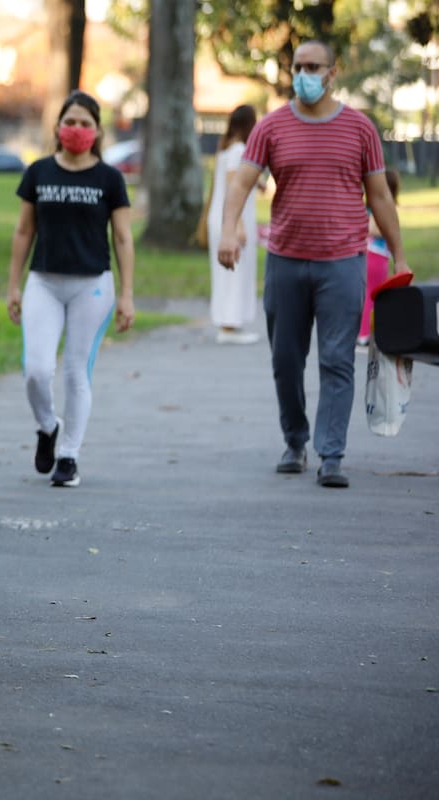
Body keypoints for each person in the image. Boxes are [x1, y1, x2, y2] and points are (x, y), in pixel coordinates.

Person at [218, 40, 411, 489]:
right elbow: (241, 183)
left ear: (332, 72)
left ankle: (332, 453)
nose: (303, 74)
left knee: (337, 359)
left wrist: (399, 256)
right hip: (286, 261)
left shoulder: (360, 128)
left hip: (342, 262)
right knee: (286, 360)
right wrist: (229, 230)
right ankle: (295, 440)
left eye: (313, 66)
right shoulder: (271, 126)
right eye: (298, 66)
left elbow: (380, 196)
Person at [6, 90, 136, 488]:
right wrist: (13, 285)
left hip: (92, 287)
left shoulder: (109, 178)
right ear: (58, 126)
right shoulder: (39, 172)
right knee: (37, 371)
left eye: (85, 123)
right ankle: (48, 426)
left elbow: (123, 238)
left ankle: (69, 456)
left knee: (77, 372)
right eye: (70, 121)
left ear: (97, 131)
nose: (76, 129)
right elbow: (24, 230)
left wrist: (127, 294)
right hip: (43, 282)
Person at [208, 104, 261, 345]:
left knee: (227, 272)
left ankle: (229, 321)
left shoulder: (225, 149)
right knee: (234, 271)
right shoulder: (239, 150)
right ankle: (229, 324)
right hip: (231, 220)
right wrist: (237, 225)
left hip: (220, 219)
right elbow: (233, 184)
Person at [359, 168, 400, 345]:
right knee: (373, 294)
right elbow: (373, 228)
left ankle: (367, 331)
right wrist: (388, 230)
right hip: (376, 255)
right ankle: (365, 333)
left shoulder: (370, 207)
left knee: (371, 293)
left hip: (374, 254)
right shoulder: (381, 209)